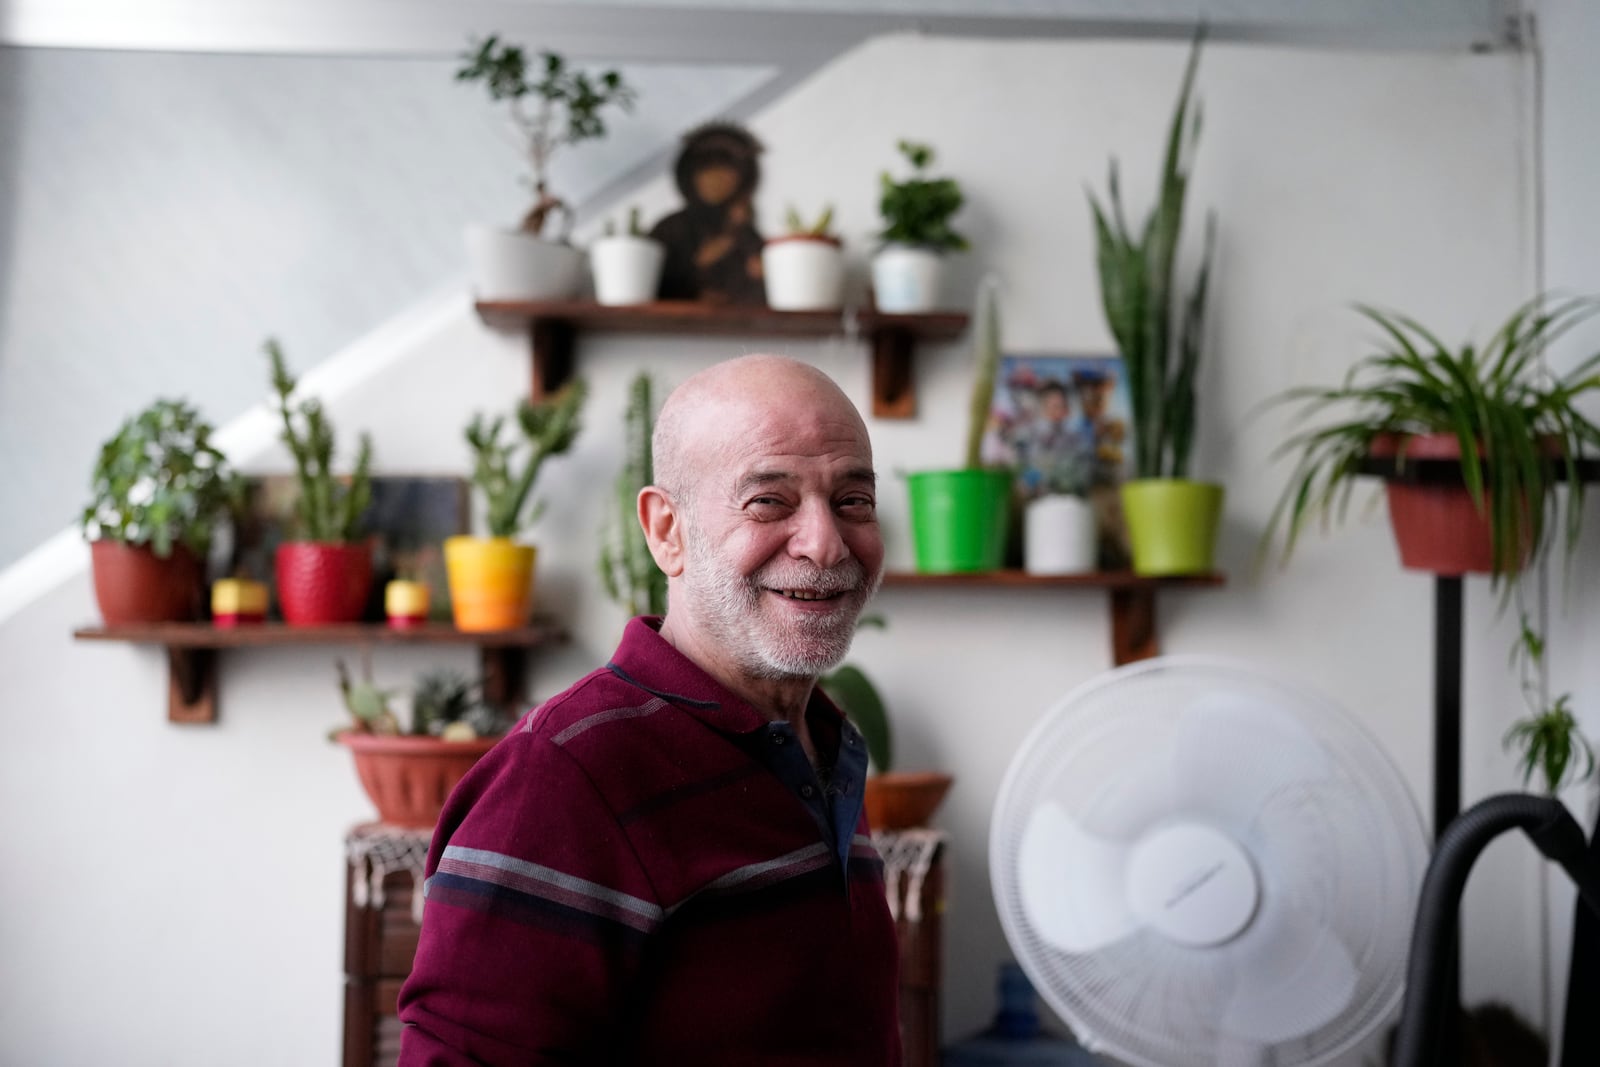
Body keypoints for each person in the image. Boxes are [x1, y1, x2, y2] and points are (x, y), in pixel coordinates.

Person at [396, 355, 901, 1065]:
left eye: (853, 500)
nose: (825, 541)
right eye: (769, 501)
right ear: (667, 530)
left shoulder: (822, 742)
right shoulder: (563, 778)